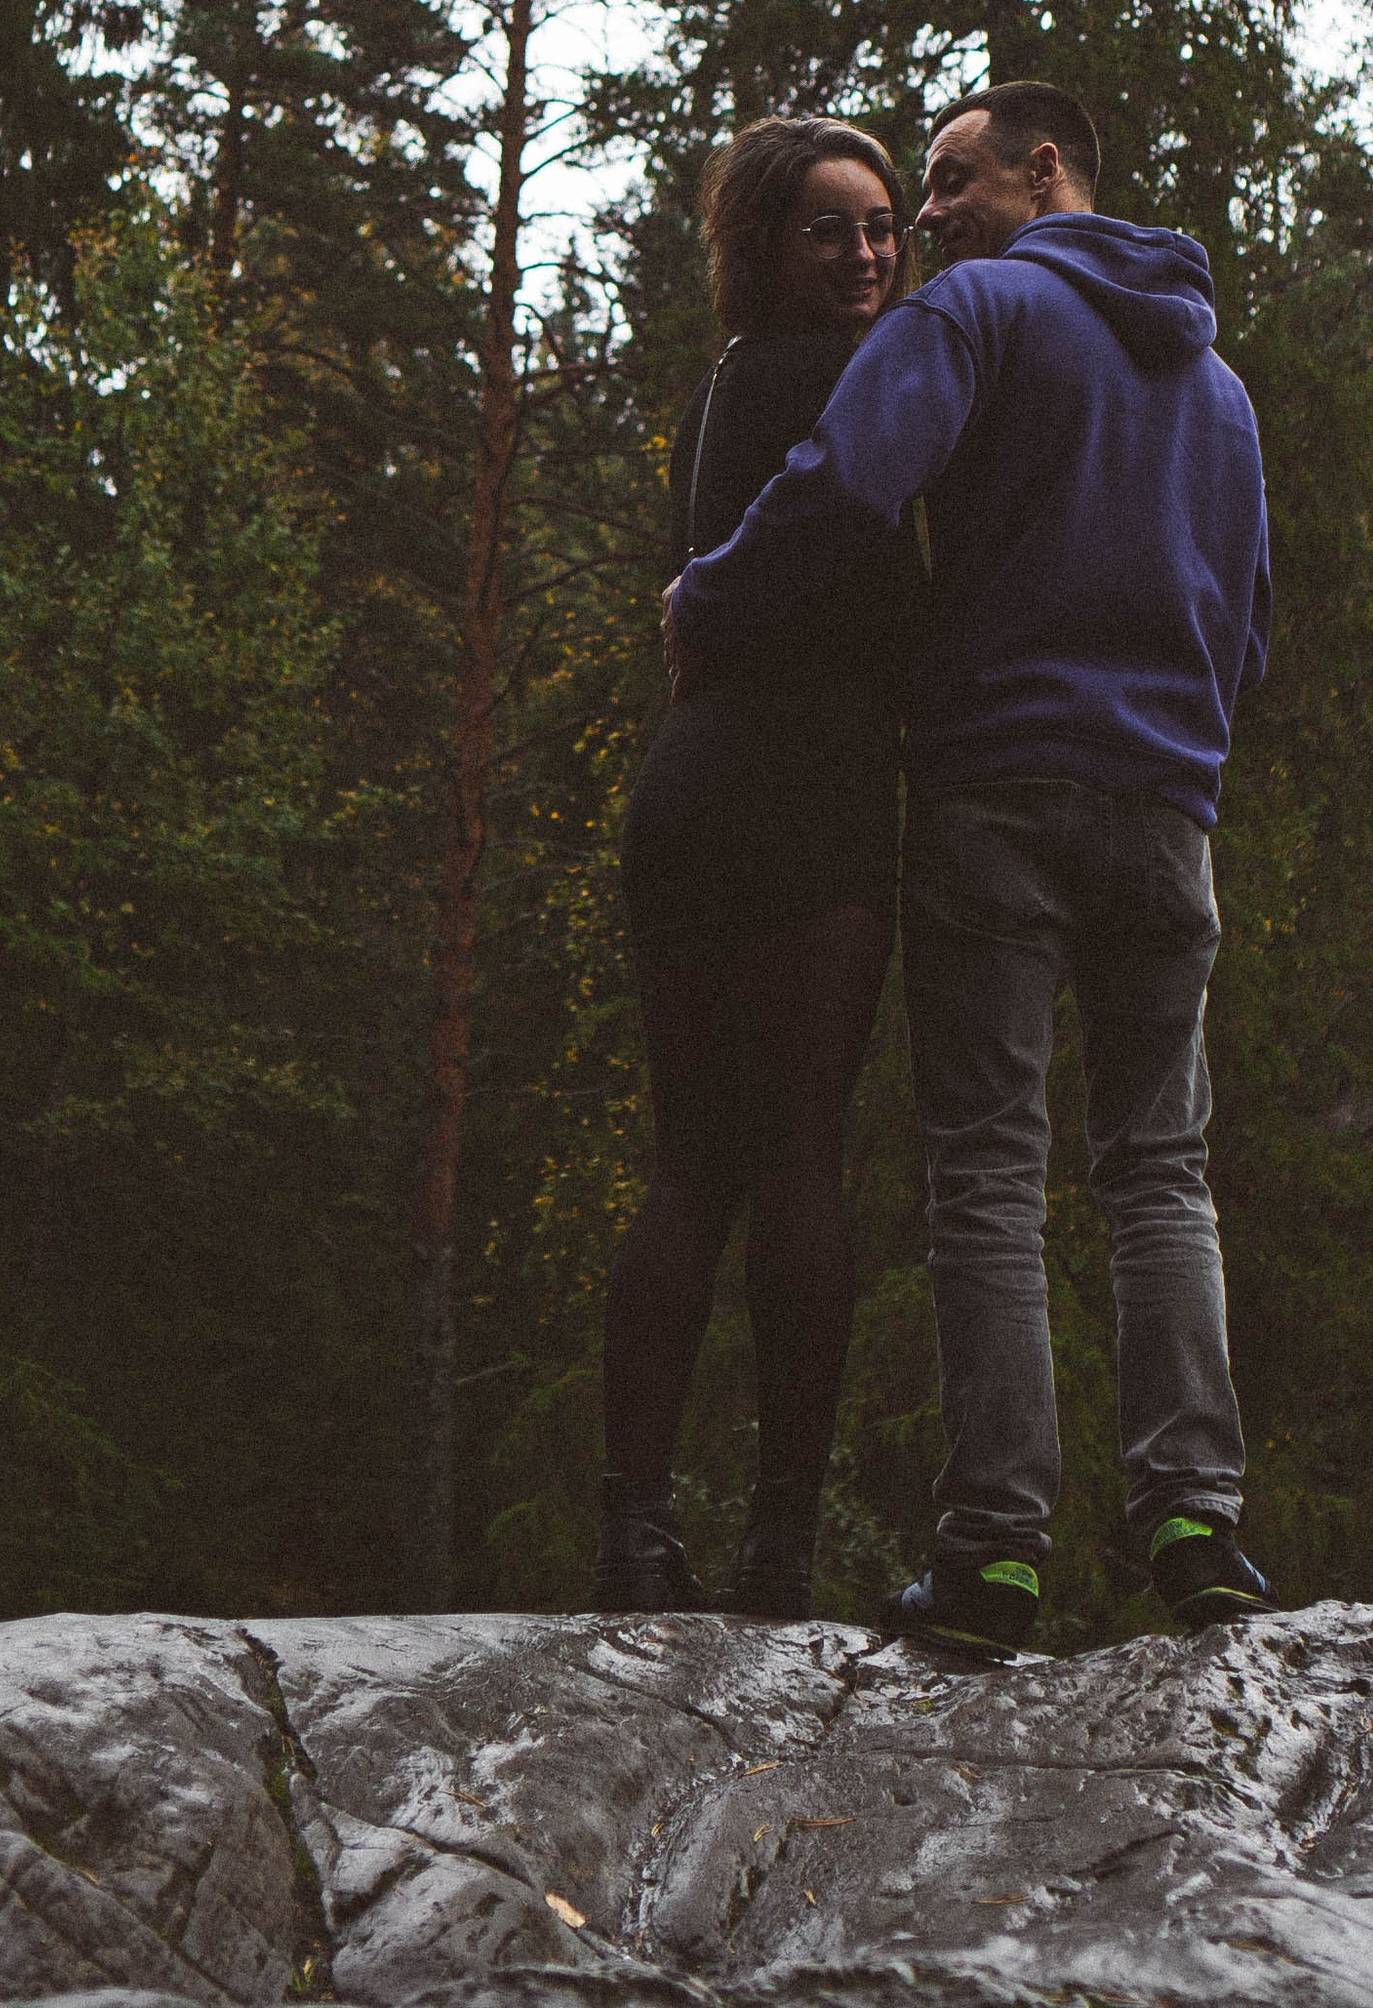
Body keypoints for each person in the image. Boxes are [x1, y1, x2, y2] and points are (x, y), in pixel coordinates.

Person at [667, 79, 1274, 1662]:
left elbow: (843, 490)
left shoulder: (980, 317)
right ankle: (1196, 1521)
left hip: (998, 793)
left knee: (990, 1171)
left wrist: (706, 602)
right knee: (1160, 1166)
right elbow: (1248, 617)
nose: (923, 218)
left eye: (946, 180)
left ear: (1044, 169)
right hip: (1169, 809)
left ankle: (996, 1553)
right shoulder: (1216, 382)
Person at [593, 115, 923, 1623]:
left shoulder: (725, 389)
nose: (866, 253)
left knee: (689, 1169)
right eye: (829, 231)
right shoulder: (872, 382)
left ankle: (633, 1530)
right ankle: (779, 1550)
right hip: (808, 790)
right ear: (763, 250)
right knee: (796, 1158)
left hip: (691, 784)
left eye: (883, 226)